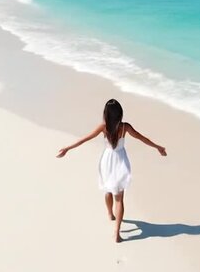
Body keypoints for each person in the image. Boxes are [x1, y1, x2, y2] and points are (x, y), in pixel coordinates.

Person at [56, 99, 167, 242]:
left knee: (108, 189)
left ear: (106, 114)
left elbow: (85, 139)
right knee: (119, 199)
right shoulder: (125, 127)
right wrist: (158, 147)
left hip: (107, 161)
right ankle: (117, 233)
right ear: (120, 113)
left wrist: (67, 148)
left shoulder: (104, 127)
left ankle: (110, 214)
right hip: (120, 161)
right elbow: (142, 138)